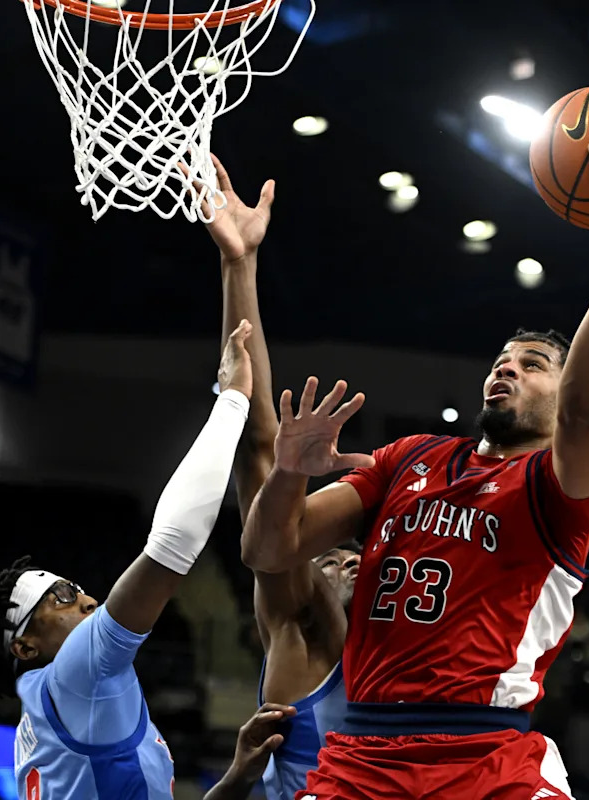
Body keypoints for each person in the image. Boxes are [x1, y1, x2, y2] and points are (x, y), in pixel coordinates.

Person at [241, 115, 589, 799]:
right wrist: (291, 473)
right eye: (501, 362)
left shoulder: (559, 486)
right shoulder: (408, 458)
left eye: (532, 366)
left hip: (486, 755)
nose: (506, 372)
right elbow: (271, 550)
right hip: (363, 753)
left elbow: (586, 408)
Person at [0, 320, 257, 800]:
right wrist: (234, 399)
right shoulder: (75, 675)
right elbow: (174, 542)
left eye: (76, 587)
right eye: (61, 598)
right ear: (25, 647)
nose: (86, 600)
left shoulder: (56, 707)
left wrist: (235, 780)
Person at [199, 154, 358, 800]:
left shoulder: (410, 659)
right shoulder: (302, 626)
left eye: (355, 557)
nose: (346, 563)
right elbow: (258, 449)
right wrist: (240, 266)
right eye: (331, 557)